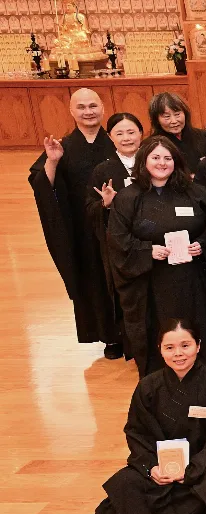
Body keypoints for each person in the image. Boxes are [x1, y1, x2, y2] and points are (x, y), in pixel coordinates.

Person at [86, 320, 206, 514]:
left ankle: (166, 505)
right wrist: (152, 468)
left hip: (205, 465)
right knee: (125, 481)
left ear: (198, 346)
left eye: (185, 345)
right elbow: (137, 432)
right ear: (160, 349)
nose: (178, 353)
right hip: (163, 466)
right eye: (169, 347)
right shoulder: (148, 386)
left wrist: (194, 469)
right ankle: (184, 503)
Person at [108, 136, 206, 375]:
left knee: (200, 322)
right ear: (144, 160)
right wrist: (147, 250)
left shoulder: (194, 191)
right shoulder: (128, 197)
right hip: (152, 281)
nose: (162, 163)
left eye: (167, 158)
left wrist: (202, 244)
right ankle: (162, 375)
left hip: (194, 277)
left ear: (176, 162)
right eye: (155, 157)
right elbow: (118, 239)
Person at [29, 88, 121, 357]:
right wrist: (52, 161)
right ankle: (110, 336)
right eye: (81, 107)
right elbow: (40, 183)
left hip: (118, 222)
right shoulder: (63, 147)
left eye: (93, 105)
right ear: (71, 111)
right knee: (95, 279)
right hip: (84, 229)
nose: (88, 111)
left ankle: (132, 332)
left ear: (103, 107)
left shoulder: (116, 140)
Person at [85, 113, 146, 360]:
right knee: (128, 295)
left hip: (152, 239)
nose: (126, 138)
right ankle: (133, 345)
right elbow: (89, 208)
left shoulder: (154, 160)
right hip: (121, 243)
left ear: (141, 133)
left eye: (131, 132)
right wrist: (106, 204)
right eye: (119, 133)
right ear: (110, 137)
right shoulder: (103, 170)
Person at [149, 91, 206, 172]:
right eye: (167, 116)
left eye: (177, 114)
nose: (174, 121)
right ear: (156, 120)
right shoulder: (151, 145)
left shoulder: (203, 136)